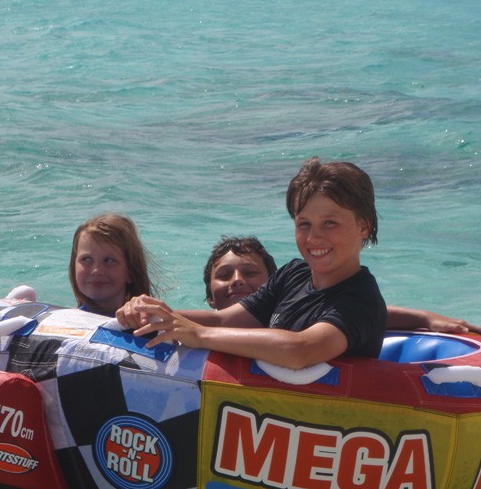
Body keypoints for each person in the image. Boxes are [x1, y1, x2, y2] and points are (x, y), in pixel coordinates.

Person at [117, 157, 387, 369]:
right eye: (304, 224)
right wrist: (154, 314)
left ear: (363, 226)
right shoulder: (294, 274)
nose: (314, 237)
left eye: (330, 223)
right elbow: (222, 320)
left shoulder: (362, 299)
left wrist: (199, 335)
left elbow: (302, 350)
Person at [203, 235, 481, 335]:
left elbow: (351, 313)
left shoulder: (284, 314)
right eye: (224, 275)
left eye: (250, 272)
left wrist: (424, 318)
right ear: (210, 298)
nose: (237, 280)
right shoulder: (200, 330)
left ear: (272, 286)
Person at [69, 213, 157, 317]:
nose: (96, 270)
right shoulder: (63, 320)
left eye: (109, 261)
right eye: (86, 259)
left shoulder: (149, 321)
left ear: (130, 272)